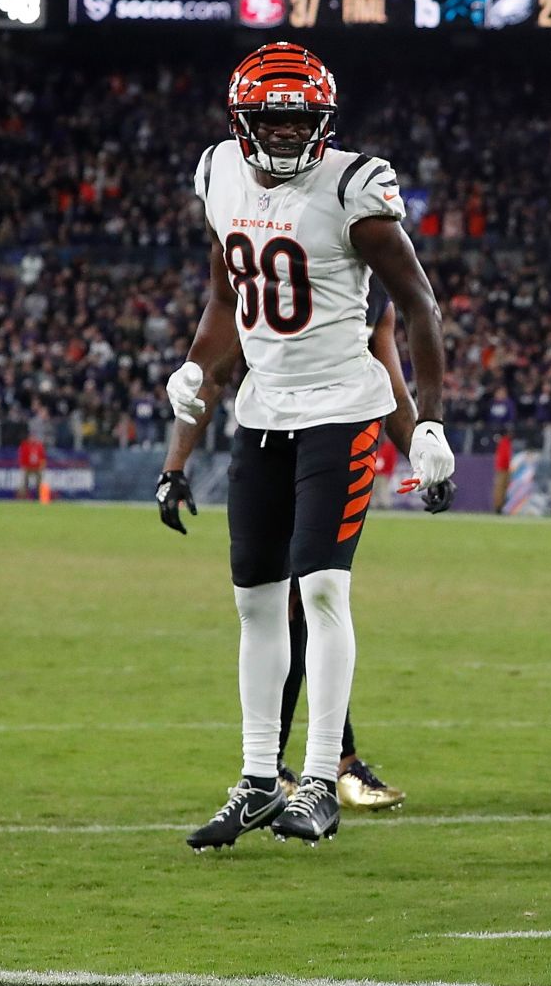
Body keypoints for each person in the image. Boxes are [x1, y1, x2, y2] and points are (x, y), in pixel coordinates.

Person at [166, 41, 454, 851]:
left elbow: (418, 304)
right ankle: (260, 777)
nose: (288, 136)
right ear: (243, 123)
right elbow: (227, 293)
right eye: (274, 120)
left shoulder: (353, 185)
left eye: (302, 121)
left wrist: (426, 421)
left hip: (342, 408)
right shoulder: (220, 171)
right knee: (255, 601)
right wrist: (196, 371)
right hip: (262, 408)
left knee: (323, 588)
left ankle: (322, 777)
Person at [160, 275, 432, 813]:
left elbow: (391, 383)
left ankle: (306, 766)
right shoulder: (267, 258)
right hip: (270, 440)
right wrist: (174, 463)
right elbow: (213, 364)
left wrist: (421, 450)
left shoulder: (359, 277)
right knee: (294, 601)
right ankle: (308, 765)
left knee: (312, 594)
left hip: (333, 438)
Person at [17, 432, 46, 500]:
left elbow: (42, 457)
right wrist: (23, 466)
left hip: (37, 467)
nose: (32, 439)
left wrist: (42, 466)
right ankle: (22, 497)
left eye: (33, 437)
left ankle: (39, 497)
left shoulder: (39, 446)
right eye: (31, 437)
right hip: (27, 467)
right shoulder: (25, 445)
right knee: (24, 483)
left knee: (39, 483)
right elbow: (22, 456)